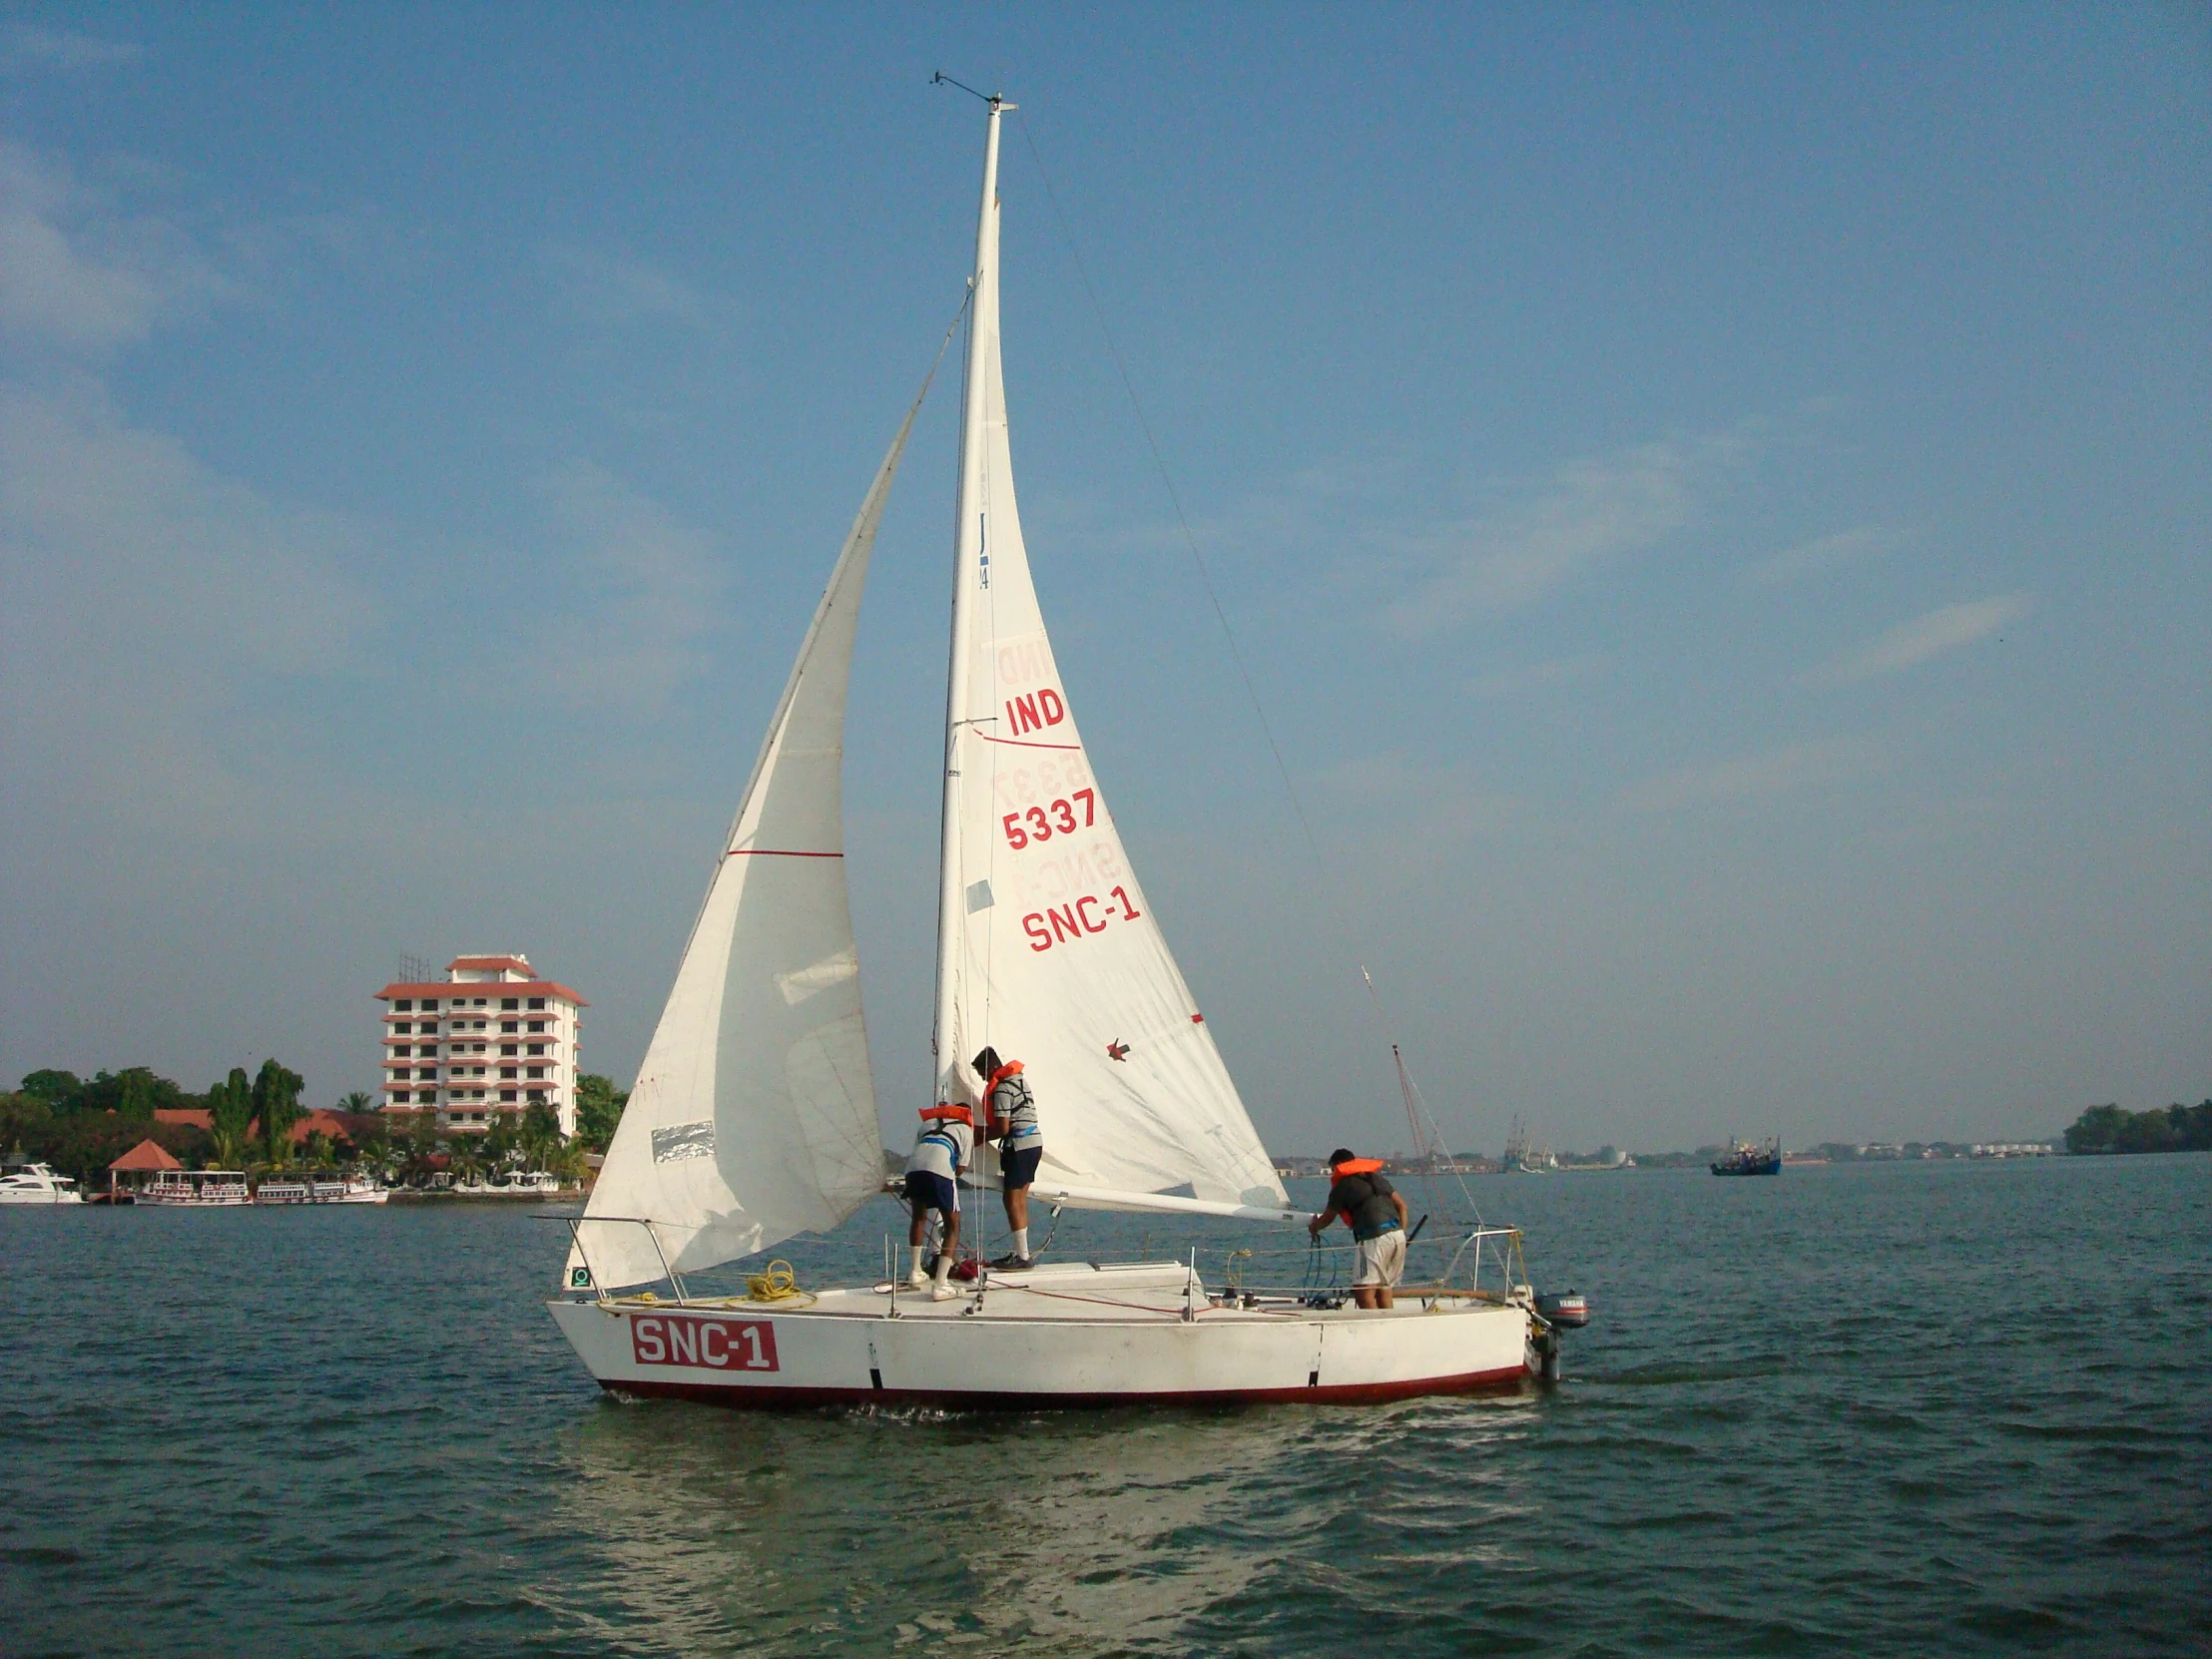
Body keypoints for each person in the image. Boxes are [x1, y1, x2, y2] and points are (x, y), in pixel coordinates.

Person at [1308, 1148, 1408, 1309]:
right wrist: (1402, 1233)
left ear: (1340, 1166)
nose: (1334, 1174)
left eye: (1334, 1169)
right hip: (1398, 1236)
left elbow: (1327, 1218)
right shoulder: (1376, 1179)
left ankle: (1373, 1330)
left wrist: (1314, 1227)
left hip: (1374, 1239)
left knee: (1363, 1293)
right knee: (1384, 1290)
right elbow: (1402, 1206)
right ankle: (1387, 1328)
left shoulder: (1341, 1187)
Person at [974, 1045, 1043, 1270]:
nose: (983, 1079)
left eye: (982, 1073)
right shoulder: (1020, 1082)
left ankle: (1023, 1257)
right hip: (1034, 1144)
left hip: (1020, 1146)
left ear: (991, 1068)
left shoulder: (1003, 1089)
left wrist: (977, 1134)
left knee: (1011, 1199)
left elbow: (1003, 1129)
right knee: (1018, 1199)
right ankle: (1020, 1252)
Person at [904, 1102, 973, 1301]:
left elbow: (920, 1147)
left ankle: (915, 1271)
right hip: (940, 1169)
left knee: (919, 1217)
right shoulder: (965, 1129)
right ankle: (941, 1283)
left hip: (913, 1169)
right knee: (953, 1225)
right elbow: (960, 1168)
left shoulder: (927, 1124)